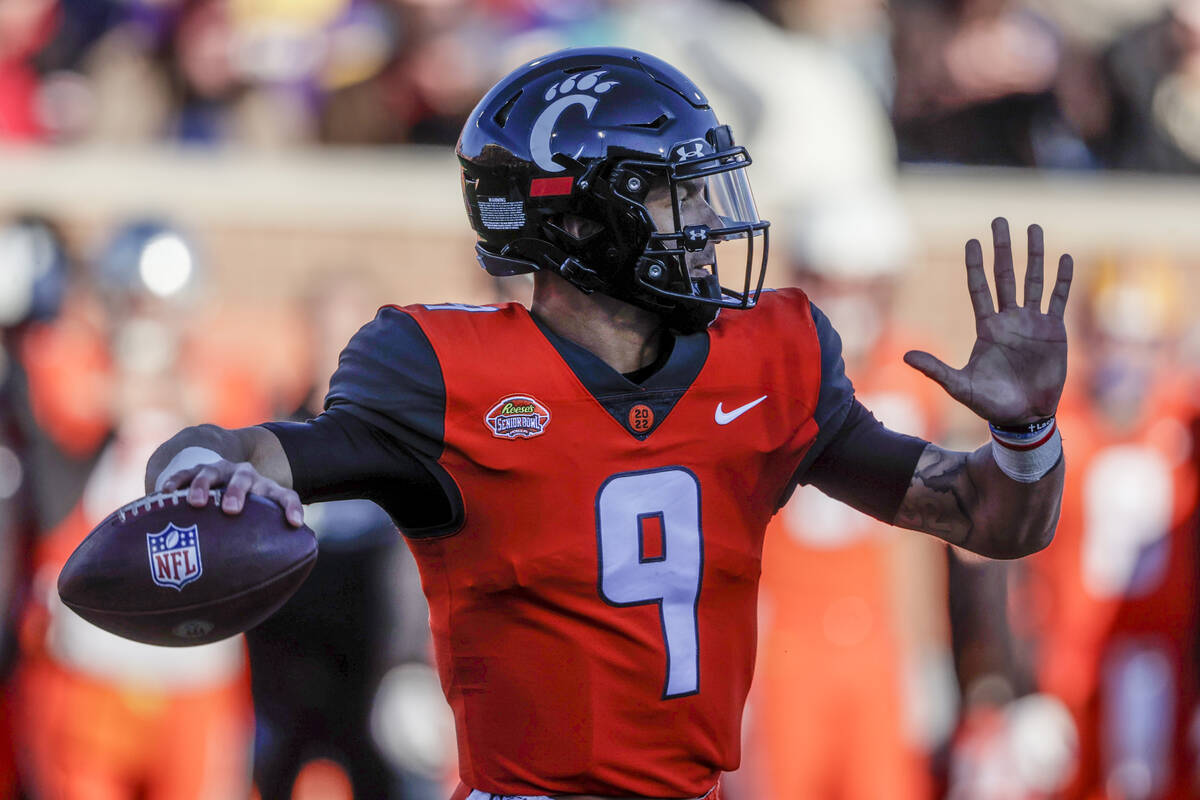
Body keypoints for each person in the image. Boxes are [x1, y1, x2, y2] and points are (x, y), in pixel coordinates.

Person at [145, 47, 1073, 800]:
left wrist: (1025, 435)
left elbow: (988, 521)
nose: (710, 224)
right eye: (679, 194)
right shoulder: (439, 372)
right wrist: (201, 466)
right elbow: (247, 448)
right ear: (583, 222)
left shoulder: (771, 357)